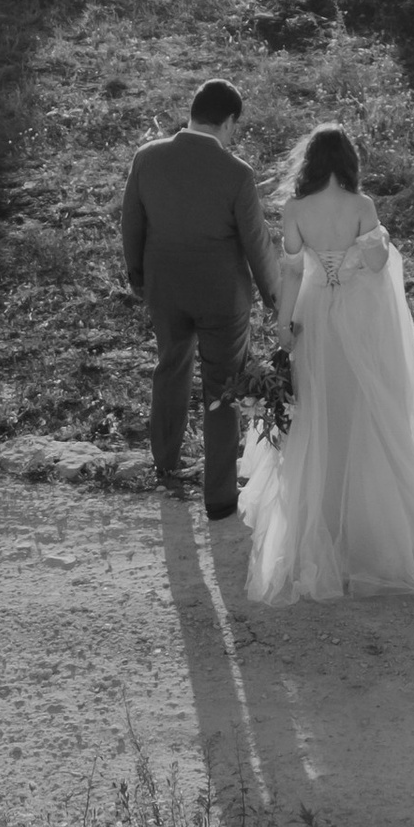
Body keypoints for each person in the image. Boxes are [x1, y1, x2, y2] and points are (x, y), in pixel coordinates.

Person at [237, 122, 414, 604]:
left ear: (309, 162)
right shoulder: (362, 206)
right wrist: (376, 241)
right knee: (366, 408)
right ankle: (374, 528)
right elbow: (381, 267)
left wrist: (283, 328)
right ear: (347, 162)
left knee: (322, 413)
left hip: (314, 317)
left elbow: (292, 269)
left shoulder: (296, 209)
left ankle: (322, 526)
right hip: (359, 323)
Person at [120, 77, 283, 517]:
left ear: (191, 113)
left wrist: (138, 276)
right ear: (229, 121)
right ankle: (219, 497)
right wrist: (275, 297)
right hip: (221, 298)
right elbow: (256, 242)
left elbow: (131, 223)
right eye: (235, 126)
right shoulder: (236, 173)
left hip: (166, 289)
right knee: (221, 389)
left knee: (170, 366)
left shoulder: (148, 158)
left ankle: (166, 463)